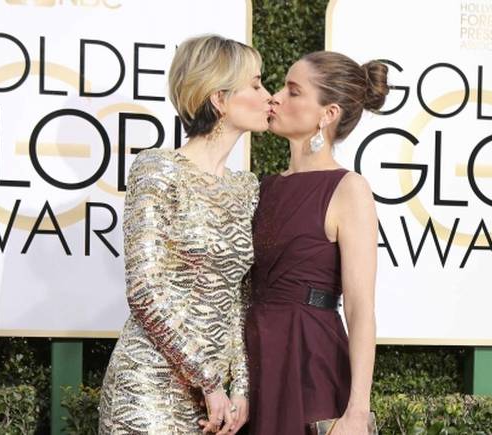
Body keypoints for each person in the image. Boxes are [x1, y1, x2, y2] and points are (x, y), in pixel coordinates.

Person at [98, 34, 272, 435]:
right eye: (256, 84)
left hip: (216, 401)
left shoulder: (246, 188)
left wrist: (241, 388)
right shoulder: (158, 169)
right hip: (146, 387)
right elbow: (144, 289)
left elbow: (239, 297)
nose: (269, 96)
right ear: (220, 99)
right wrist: (209, 380)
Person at [245, 51, 388, 435]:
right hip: (254, 358)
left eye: (293, 92)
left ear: (328, 114)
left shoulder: (348, 189)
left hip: (310, 359)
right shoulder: (263, 186)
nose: (275, 97)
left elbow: (360, 308)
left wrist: (358, 410)